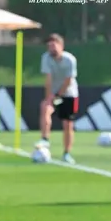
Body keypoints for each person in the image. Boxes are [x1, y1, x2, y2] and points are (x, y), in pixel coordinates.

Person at [36, 33, 78, 164]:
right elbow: (48, 79)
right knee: (45, 108)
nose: (51, 48)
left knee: (67, 124)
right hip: (54, 93)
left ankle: (67, 153)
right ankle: (45, 138)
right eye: (49, 46)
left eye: (54, 45)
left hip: (69, 93)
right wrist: (50, 97)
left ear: (61, 46)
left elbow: (68, 80)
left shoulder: (69, 59)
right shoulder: (46, 58)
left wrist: (58, 95)